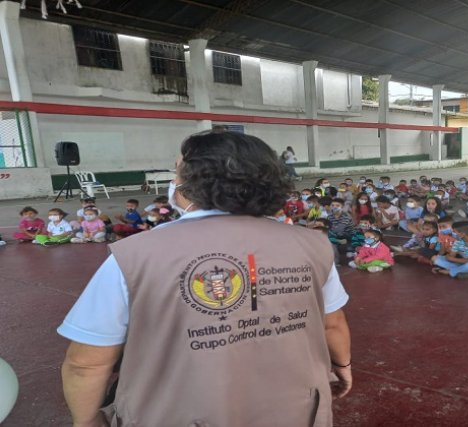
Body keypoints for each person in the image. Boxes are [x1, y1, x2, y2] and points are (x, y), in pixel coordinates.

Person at [58, 131, 352, 427]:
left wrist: (85, 420)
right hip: (294, 410)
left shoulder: (133, 256)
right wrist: (343, 365)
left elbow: (86, 362)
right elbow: (333, 323)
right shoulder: (312, 244)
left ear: (192, 182)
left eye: (177, 170)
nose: (173, 181)